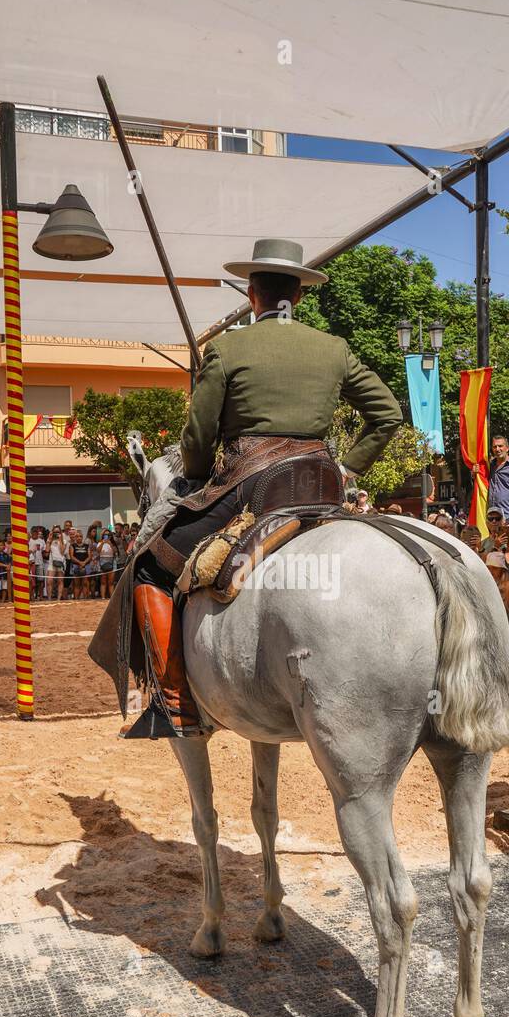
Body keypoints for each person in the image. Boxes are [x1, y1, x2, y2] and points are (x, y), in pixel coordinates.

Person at [125, 236, 403, 737]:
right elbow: (388, 415)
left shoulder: (228, 347)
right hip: (322, 487)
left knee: (148, 567)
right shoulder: (333, 348)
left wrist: (199, 471)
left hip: (252, 484)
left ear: (251, 295)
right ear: (297, 296)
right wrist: (348, 471)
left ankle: (175, 703)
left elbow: (199, 435)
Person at [46, 526, 66, 600]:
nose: (56, 533)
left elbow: (62, 551)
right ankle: (49, 598)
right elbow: (47, 551)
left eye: (58, 532)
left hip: (61, 562)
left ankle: (58, 598)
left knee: (60, 581)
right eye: (55, 532)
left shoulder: (64, 541)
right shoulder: (50, 540)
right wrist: (49, 539)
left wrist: (60, 540)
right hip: (52, 562)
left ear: (60, 533)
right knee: (49, 581)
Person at [98, 529, 117, 598]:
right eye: (105, 535)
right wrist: (103, 542)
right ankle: (103, 597)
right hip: (102, 561)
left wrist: (110, 544)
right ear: (103, 536)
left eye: (108, 535)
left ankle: (111, 598)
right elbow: (98, 551)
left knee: (111, 582)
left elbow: (115, 552)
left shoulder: (113, 543)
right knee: (103, 581)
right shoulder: (100, 542)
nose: (107, 536)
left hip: (111, 561)